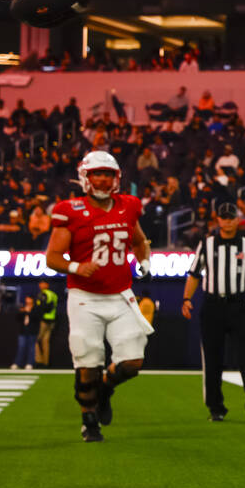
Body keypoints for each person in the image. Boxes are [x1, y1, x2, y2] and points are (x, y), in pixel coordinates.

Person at [45, 151, 154, 442]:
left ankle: (105, 388)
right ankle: (89, 421)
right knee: (86, 363)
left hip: (120, 295)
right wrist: (76, 266)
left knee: (132, 362)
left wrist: (144, 263)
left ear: (116, 177)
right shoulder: (70, 209)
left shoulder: (129, 205)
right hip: (85, 296)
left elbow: (140, 240)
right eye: (98, 173)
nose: (104, 179)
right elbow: (52, 257)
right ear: (86, 177)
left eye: (108, 173)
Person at [181, 202, 245, 423]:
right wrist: (186, 299)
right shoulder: (207, 244)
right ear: (217, 220)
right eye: (224, 217)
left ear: (237, 220)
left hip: (238, 305)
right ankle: (216, 407)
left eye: (231, 217)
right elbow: (194, 274)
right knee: (212, 359)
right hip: (212, 306)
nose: (228, 221)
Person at [34, 280, 58, 367]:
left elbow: (43, 307)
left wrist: (38, 314)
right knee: (45, 341)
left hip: (44, 320)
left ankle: (39, 361)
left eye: (42, 283)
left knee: (35, 340)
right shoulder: (53, 294)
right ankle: (46, 363)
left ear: (46, 284)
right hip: (52, 320)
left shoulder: (44, 293)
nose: (40, 285)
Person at [12, 295, 38, 370]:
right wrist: (23, 311)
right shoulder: (23, 307)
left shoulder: (36, 308)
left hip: (32, 331)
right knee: (21, 347)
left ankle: (30, 363)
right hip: (23, 331)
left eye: (29, 299)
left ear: (32, 300)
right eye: (26, 299)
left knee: (31, 348)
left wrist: (29, 312)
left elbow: (37, 318)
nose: (27, 300)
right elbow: (18, 318)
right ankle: (17, 363)